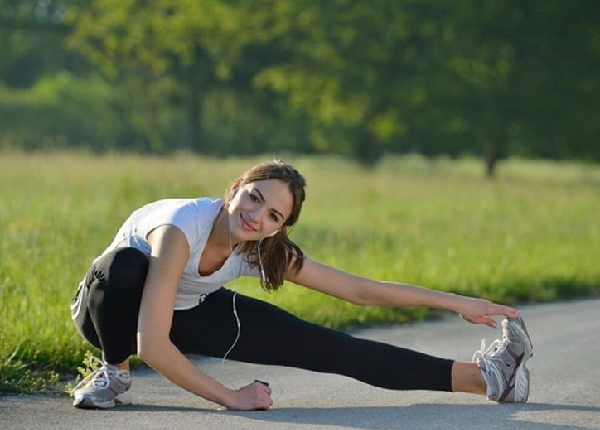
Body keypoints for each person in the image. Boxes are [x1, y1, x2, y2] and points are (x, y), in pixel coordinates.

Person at [70, 159, 533, 411]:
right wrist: (232, 398)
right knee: (128, 264)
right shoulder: (180, 228)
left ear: (280, 227)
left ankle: (488, 380)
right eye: (254, 198)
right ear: (234, 189)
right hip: (108, 314)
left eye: (274, 215)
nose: (256, 216)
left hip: (189, 312)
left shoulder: (262, 247)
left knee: (326, 345)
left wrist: (457, 302)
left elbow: (362, 291)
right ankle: (114, 373)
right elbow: (151, 343)